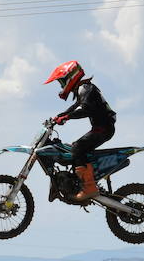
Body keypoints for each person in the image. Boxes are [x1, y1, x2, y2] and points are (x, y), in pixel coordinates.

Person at [44, 60, 116, 199]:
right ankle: (78, 182)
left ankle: (89, 187)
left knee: (77, 147)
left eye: (62, 81)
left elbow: (85, 109)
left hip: (104, 128)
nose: (62, 85)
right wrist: (59, 116)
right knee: (73, 148)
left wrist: (66, 117)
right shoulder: (83, 88)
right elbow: (75, 107)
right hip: (102, 128)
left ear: (70, 76)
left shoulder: (85, 88)